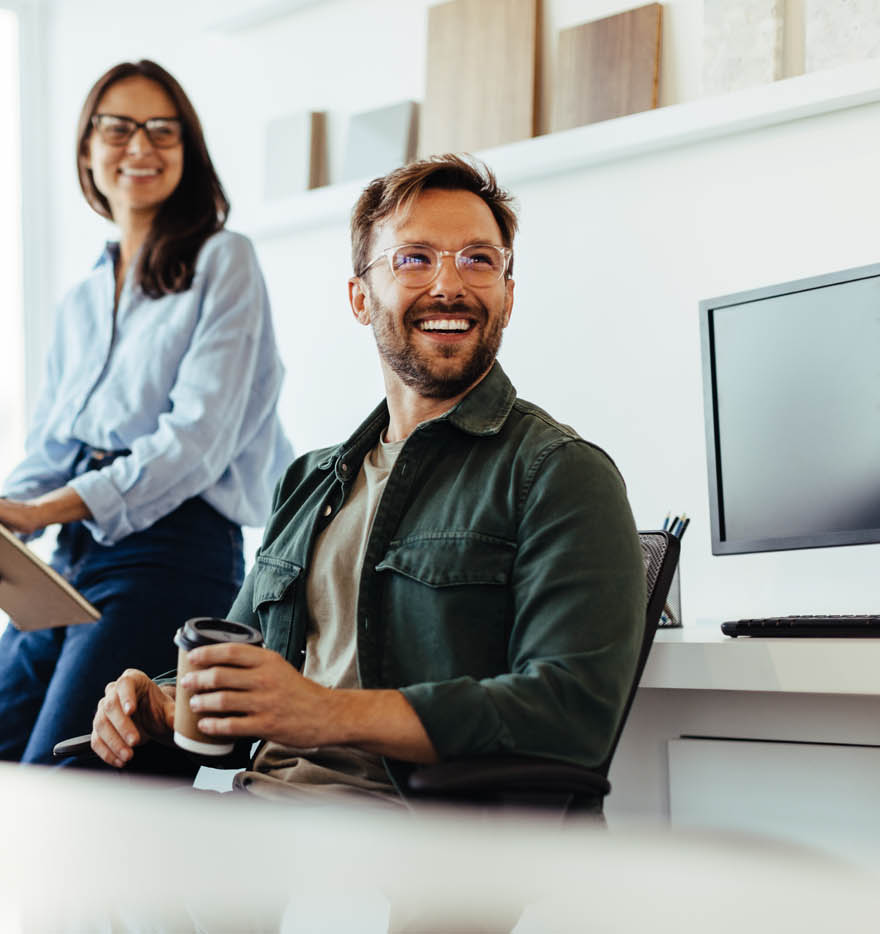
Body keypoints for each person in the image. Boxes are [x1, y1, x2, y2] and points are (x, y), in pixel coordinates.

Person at [87, 155, 646, 806]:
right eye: (413, 258)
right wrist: (161, 702)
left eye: (478, 260)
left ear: (508, 296)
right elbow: (243, 681)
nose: (450, 285)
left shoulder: (559, 475)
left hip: (405, 849)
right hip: (256, 827)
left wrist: (323, 712)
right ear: (360, 297)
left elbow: (569, 714)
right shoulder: (310, 480)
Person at [0, 60, 291, 765]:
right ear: (88, 149)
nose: (140, 147)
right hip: (74, 556)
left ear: (190, 148)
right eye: (117, 128)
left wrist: (37, 512)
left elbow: (194, 447)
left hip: (172, 555)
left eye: (162, 130)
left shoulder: (225, 261)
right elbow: (53, 445)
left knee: (61, 781)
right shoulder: (82, 296)